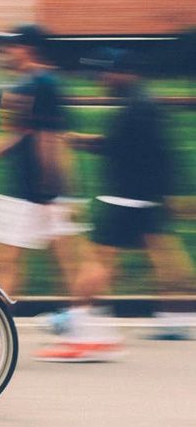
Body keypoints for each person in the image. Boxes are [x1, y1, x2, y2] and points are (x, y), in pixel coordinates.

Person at [0, 24, 100, 364]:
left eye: (11, 46)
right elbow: (15, 133)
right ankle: (82, 334)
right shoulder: (27, 84)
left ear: (29, 49)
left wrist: (52, 194)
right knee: (5, 260)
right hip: (28, 191)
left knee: (58, 262)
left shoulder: (44, 84)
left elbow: (51, 138)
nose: (5, 52)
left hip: (38, 193)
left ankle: (85, 335)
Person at [61, 48, 194, 344]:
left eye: (105, 72)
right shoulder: (141, 101)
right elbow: (152, 151)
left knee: (99, 258)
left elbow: (134, 150)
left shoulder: (138, 106)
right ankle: (177, 319)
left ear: (125, 72)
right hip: (144, 197)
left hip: (126, 198)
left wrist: (80, 141)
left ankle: (77, 319)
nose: (101, 78)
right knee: (166, 257)